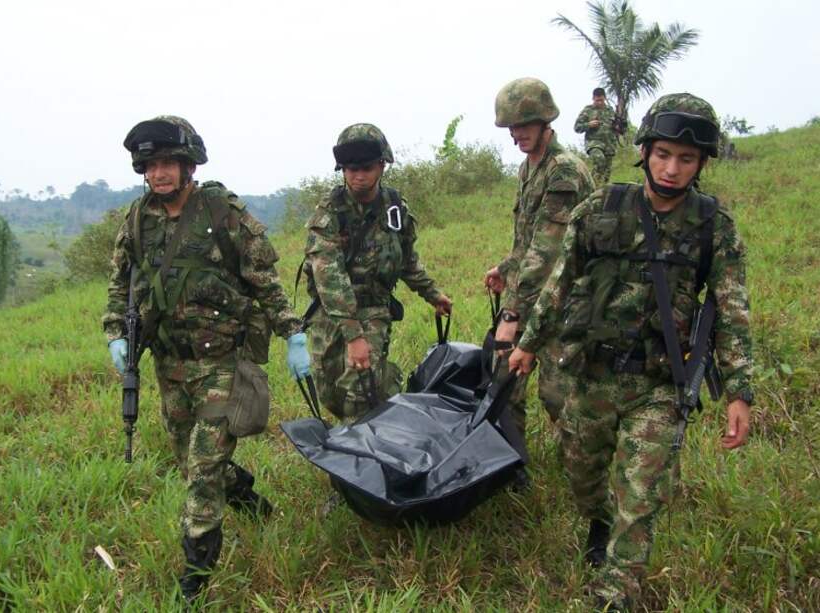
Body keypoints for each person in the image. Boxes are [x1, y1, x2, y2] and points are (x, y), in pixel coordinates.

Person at [509, 93, 754, 610]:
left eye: (687, 159)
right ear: (644, 150)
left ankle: (616, 594)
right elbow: (558, 282)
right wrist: (527, 344)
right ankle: (598, 522)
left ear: (703, 162)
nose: (672, 168)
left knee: (640, 497)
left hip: (661, 384)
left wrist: (739, 392)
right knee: (582, 474)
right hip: (592, 374)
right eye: (663, 154)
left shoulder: (714, 226)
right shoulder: (600, 209)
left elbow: (731, 313)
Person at [103, 115, 311, 602]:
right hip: (168, 365)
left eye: (169, 163)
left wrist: (292, 333)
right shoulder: (136, 220)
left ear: (189, 163)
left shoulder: (222, 212)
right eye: (151, 165)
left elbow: (264, 280)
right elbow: (120, 285)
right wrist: (116, 333)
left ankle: (194, 579)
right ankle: (248, 498)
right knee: (189, 460)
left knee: (202, 469)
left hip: (221, 362)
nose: (160, 173)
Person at [302, 123, 452, 421]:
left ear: (382, 166)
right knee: (331, 391)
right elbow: (329, 278)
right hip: (331, 313)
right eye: (350, 168)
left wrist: (432, 294)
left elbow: (406, 258)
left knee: (360, 393)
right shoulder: (330, 212)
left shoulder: (395, 209)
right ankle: (377, 417)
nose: (358, 176)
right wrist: (350, 333)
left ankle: (364, 454)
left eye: (366, 168)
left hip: (372, 309)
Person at [484, 77, 594, 448]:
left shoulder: (564, 170)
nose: (517, 134)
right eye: (512, 127)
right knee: (505, 381)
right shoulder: (528, 168)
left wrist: (511, 316)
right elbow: (528, 241)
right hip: (530, 291)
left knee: (557, 392)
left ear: (546, 122)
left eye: (524, 125)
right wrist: (505, 267)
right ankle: (512, 463)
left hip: (564, 300)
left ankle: (586, 465)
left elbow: (549, 252)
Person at [574, 87, 621, 186]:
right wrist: (588, 125)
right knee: (600, 160)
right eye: (597, 100)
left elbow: (617, 127)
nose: (599, 102)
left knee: (606, 173)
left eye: (601, 100)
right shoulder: (588, 110)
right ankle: (589, 186)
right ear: (593, 98)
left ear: (605, 98)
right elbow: (577, 127)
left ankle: (599, 190)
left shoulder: (610, 110)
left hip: (609, 145)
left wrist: (618, 126)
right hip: (594, 143)